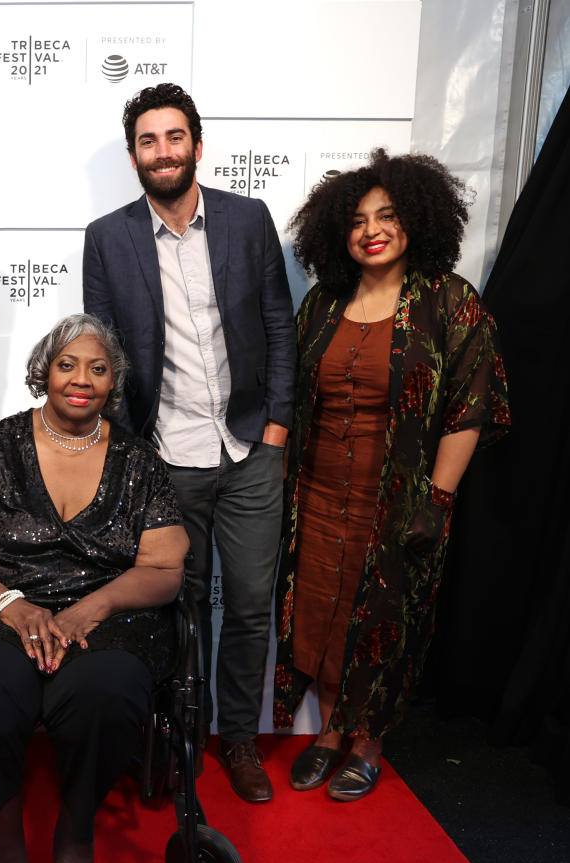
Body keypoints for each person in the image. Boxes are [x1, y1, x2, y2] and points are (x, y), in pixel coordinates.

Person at [0, 315, 189, 863]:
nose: (82, 379)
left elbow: (164, 569)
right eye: (68, 364)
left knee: (112, 690)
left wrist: (90, 610)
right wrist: (13, 605)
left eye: (99, 369)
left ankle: (75, 832)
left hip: (106, 617)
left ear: (113, 385)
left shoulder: (138, 462)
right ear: (44, 371)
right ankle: (8, 849)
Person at [273, 149, 510, 799]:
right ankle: (327, 733)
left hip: (399, 501)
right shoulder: (323, 303)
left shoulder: (447, 301)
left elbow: (470, 407)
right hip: (318, 494)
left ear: (417, 221)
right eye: (356, 220)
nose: (371, 229)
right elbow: (293, 394)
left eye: (387, 215)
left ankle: (367, 740)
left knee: (382, 618)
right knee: (318, 611)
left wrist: (436, 497)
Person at [82, 83, 295, 803]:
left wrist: (278, 424)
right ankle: (181, 733)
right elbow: (104, 353)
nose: (163, 151)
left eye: (175, 137)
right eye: (148, 140)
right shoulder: (107, 237)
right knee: (179, 603)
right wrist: (128, 451)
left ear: (196, 146)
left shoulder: (247, 218)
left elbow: (278, 321)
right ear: (135, 154)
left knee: (250, 600)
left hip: (249, 448)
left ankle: (237, 736)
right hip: (166, 455)